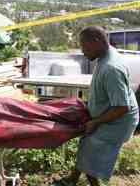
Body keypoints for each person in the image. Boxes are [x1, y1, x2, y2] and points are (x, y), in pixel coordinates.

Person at [55, 26, 139, 186]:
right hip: (111, 113)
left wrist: (95, 121)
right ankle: (73, 179)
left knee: (90, 153)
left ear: (97, 42)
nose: (83, 52)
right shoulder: (106, 54)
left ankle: (93, 184)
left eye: (85, 47)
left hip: (119, 121)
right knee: (85, 143)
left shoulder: (111, 69)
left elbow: (122, 107)